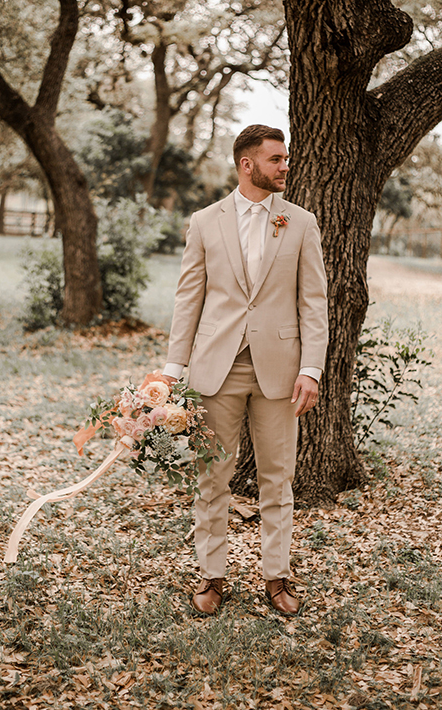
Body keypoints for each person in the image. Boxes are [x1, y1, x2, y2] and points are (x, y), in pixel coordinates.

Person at [163, 124, 328, 615]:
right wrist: (173, 371)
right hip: (216, 370)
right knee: (212, 477)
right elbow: (188, 297)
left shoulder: (301, 222)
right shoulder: (205, 222)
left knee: (278, 479)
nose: (285, 166)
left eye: (286, 158)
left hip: (281, 372)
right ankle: (212, 576)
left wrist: (312, 369)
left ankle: (276, 577)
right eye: (276, 159)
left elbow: (314, 303)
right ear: (247, 164)